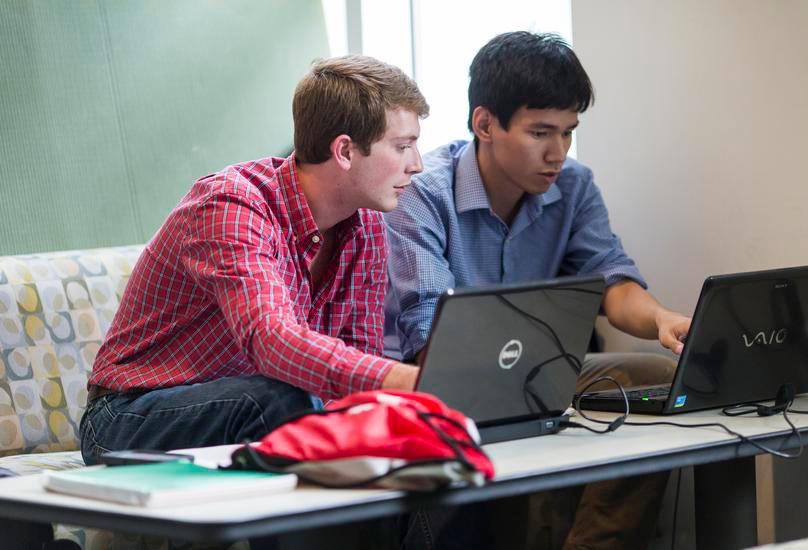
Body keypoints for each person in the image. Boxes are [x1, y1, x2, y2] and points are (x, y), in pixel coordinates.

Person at [384, 32, 691, 549]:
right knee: (534, 405)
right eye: (540, 132)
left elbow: (613, 281)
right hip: (435, 385)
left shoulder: (574, 186)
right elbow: (427, 339)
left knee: (654, 376)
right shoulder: (423, 193)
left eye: (568, 132)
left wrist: (661, 319)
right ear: (484, 124)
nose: (557, 152)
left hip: (535, 371)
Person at [80, 55, 427, 463]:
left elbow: (358, 361)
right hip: (127, 418)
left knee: (400, 422)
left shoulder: (366, 224)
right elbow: (270, 341)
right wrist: (406, 379)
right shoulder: (231, 206)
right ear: (345, 151)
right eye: (402, 146)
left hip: (257, 403)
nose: (417, 165)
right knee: (281, 400)